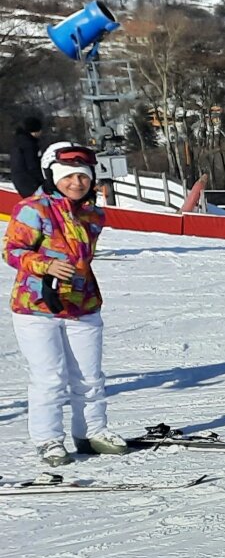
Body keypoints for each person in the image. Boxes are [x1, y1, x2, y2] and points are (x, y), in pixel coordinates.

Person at [4, 142, 126, 466]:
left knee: (89, 375)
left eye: (83, 176)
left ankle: (91, 432)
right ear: (53, 176)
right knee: (49, 377)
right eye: (68, 176)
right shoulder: (33, 209)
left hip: (82, 304)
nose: (76, 183)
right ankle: (48, 439)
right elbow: (12, 251)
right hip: (36, 307)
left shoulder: (93, 214)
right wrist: (46, 265)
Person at [10, 116, 44, 199]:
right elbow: (32, 165)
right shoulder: (29, 144)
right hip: (30, 181)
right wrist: (43, 181)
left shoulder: (18, 141)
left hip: (19, 179)